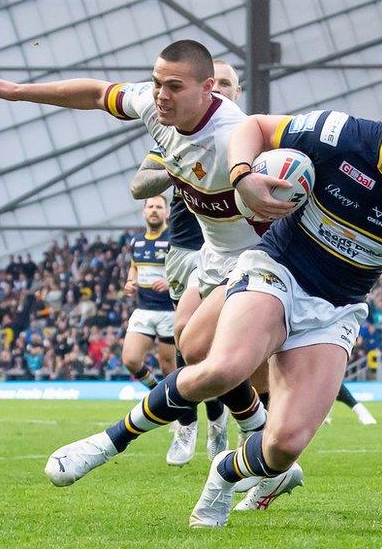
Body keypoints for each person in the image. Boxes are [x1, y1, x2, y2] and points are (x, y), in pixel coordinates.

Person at [39, 74, 382, 527]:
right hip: (278, 267)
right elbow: (256, 128)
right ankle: (106, 443)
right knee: (224, 366)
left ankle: (224, 472)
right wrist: (243, 177)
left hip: (339, 307)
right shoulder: (340, 134)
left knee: (285, 446)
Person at [0, 39, 277, 477]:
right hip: (213, 252)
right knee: (189, 343)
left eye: (174, 86)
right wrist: (18, 92)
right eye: (156, 83)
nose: (161, 95)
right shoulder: (155, 107)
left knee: (207, 352)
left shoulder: (235, 135)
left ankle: (126, 440)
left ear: (210, 89)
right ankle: (260, 439)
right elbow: (94, 93)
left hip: (258, 257)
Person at [128, 58, 250, 466]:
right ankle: (191, 423)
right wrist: (176, 165)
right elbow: (139, 185)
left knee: (234, 350)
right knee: (190, 343)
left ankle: (242, 426)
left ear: (235, 91)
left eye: (228, 85)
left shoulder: (248, 137)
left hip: (240, 253)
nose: (220, 94)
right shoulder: (175, 133)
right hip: (186, 250)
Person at [121, 196, 176, 391]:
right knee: (131, 360)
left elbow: (189, 269)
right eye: (150, 207)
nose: (154, 210)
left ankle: (180, 413)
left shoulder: (174, 239)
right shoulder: (137, 241)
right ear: (144, 212)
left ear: (167, 212)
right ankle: (156, 393)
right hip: (144, 309)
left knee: (168, 367)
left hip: (170, 311)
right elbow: (134, 267)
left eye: (159, 207)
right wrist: (130, 282)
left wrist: (170, 282)